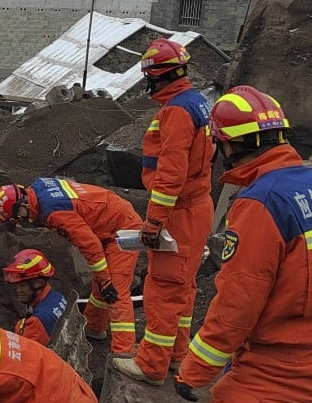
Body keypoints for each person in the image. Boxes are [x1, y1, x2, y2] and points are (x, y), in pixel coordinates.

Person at [174, 86, 312, 402]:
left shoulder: (260, 202)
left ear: (229, 145)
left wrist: (194, 370)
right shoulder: (310, 183)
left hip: (282, 366)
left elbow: (238, 302)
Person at [112, 39, 214, 386]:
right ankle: (176, 356)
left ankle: (152, 365)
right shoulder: (197, 102)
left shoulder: (176, 112)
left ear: (155, 76)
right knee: (183, 289)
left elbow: (171, 173)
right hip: (198, 207)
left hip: (180, 211)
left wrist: (154, 221)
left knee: (163, 289)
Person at [0, 178, 141, 355]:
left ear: (23, 203)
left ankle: (123, 352)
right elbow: (11, 204)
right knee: (101, 285)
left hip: (123, 228)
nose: (19, 221)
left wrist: (105, 280)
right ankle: (94, 328)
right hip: (109, 216)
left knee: (115, 290)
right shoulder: (36, 189)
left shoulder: (54, 213)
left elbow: (90, 245)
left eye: (18, 216)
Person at [2, 249, 69, 347]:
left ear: (39, 283)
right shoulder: (58, 297)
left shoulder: (35, 323)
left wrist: (20, 328)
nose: (18, 290)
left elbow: (24, 356)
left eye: (23, 285)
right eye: (17, 285)